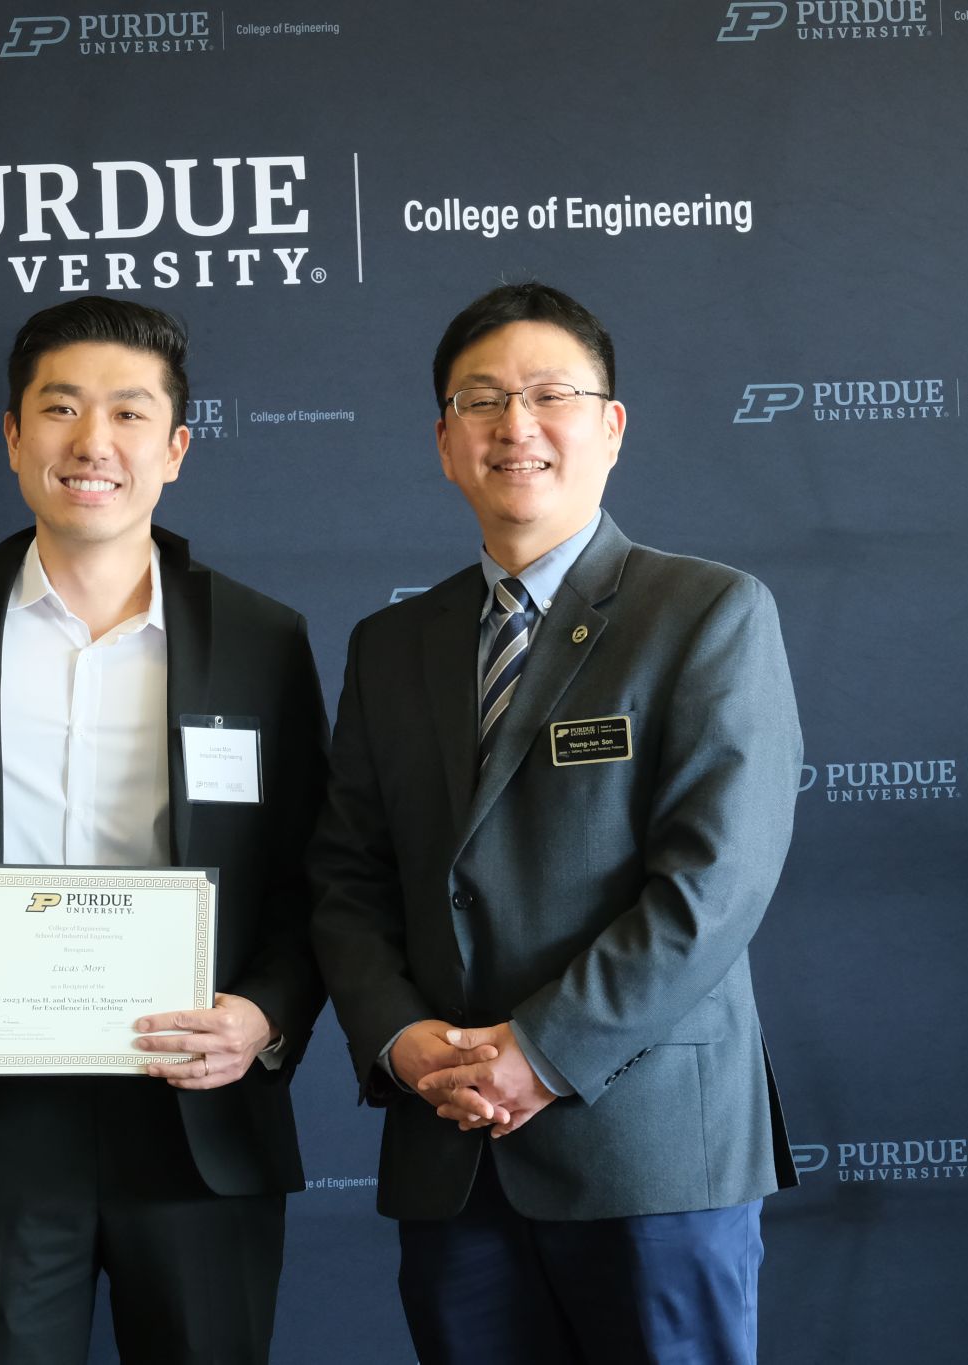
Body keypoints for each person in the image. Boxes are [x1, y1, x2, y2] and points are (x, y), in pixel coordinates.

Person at [307, 282, 802, 1365]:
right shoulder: (390, 646)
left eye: (548, 395)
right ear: (443, 442)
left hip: (649, 1153)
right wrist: (399, 1042)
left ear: (609, 427)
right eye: (479, 400)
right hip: (448, 1150)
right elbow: (345, 876)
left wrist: (538, 1052)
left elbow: (712, 884)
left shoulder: (705, 612)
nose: (513, 425)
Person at [0, 295, 328, 1364]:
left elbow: (315, 878)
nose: (91, 443)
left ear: (176, 448)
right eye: (59, 409)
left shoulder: (260, 639)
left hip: (198, 1117)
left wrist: (264, 1018)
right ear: (13, 436)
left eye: (129, 414)